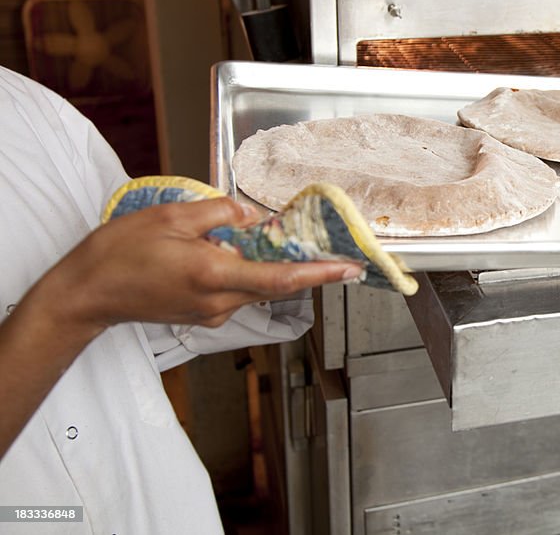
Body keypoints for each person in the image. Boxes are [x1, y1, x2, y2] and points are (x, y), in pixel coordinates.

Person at [0, 65, 364, 533]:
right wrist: (73, 305)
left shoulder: (25, 106)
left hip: (164, 510)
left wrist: (247, 260)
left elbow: (132, 307)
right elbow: (93, 296)